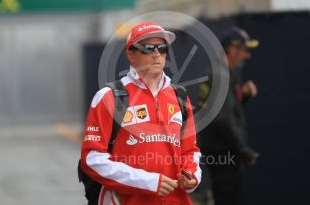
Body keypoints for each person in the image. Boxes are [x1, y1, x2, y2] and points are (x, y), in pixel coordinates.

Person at [80, 21, 202, 204]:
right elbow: (91, 159)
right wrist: (149, 182)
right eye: (147, 48)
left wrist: (192, 177)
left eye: (162, 48)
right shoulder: (109, 97)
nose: (156, 54)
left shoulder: (180, 97)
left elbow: (190, 151)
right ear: (131, 55)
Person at [198, 26, 259, 205]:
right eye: (245, 50)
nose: (248, 56)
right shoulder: (220, 76)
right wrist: (243, 151)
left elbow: (225, 112)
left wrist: (243, 96)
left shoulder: (221, 74)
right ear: (232, 49)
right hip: (225, 157)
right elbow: (223, 119)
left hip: (221, 155)